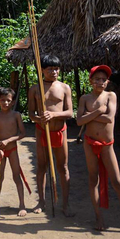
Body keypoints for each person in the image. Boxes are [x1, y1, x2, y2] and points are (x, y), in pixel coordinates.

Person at [77, 65, 120, 237]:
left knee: (118, 182)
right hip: (90, 143)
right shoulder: (85, 98)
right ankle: (99, 218)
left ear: (108, 82)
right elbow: (79, 121)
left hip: (106, 145)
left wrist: (90, 115)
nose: (100, 82)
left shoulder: (111, 95)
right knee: (93, 179)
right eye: (96, 79)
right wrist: (98, 110)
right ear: (91, 81)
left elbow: (109, 118)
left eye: (103, 79)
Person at [27, 55, 74, 216]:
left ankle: (65, 204)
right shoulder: (35, 89)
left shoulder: (65, 87)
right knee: (41, 166)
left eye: (56, 69)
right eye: (50, 69)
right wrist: (38, 119)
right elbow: (31, 113)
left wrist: (53, 115)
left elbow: (69, 112)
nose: (54, 72)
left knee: (63, 167)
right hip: (42, 131)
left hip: (60, 131)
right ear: (42, 70)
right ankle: (41, 201)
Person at [0, 88, 28, 217]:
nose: (5, 103)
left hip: (12, 150)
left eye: (8, 100)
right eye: (3, 100)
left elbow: (22, 133)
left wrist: (9, 140)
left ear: (12, 102)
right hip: (0, 151)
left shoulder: (16, 115)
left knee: (17, 176)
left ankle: (22, 205)